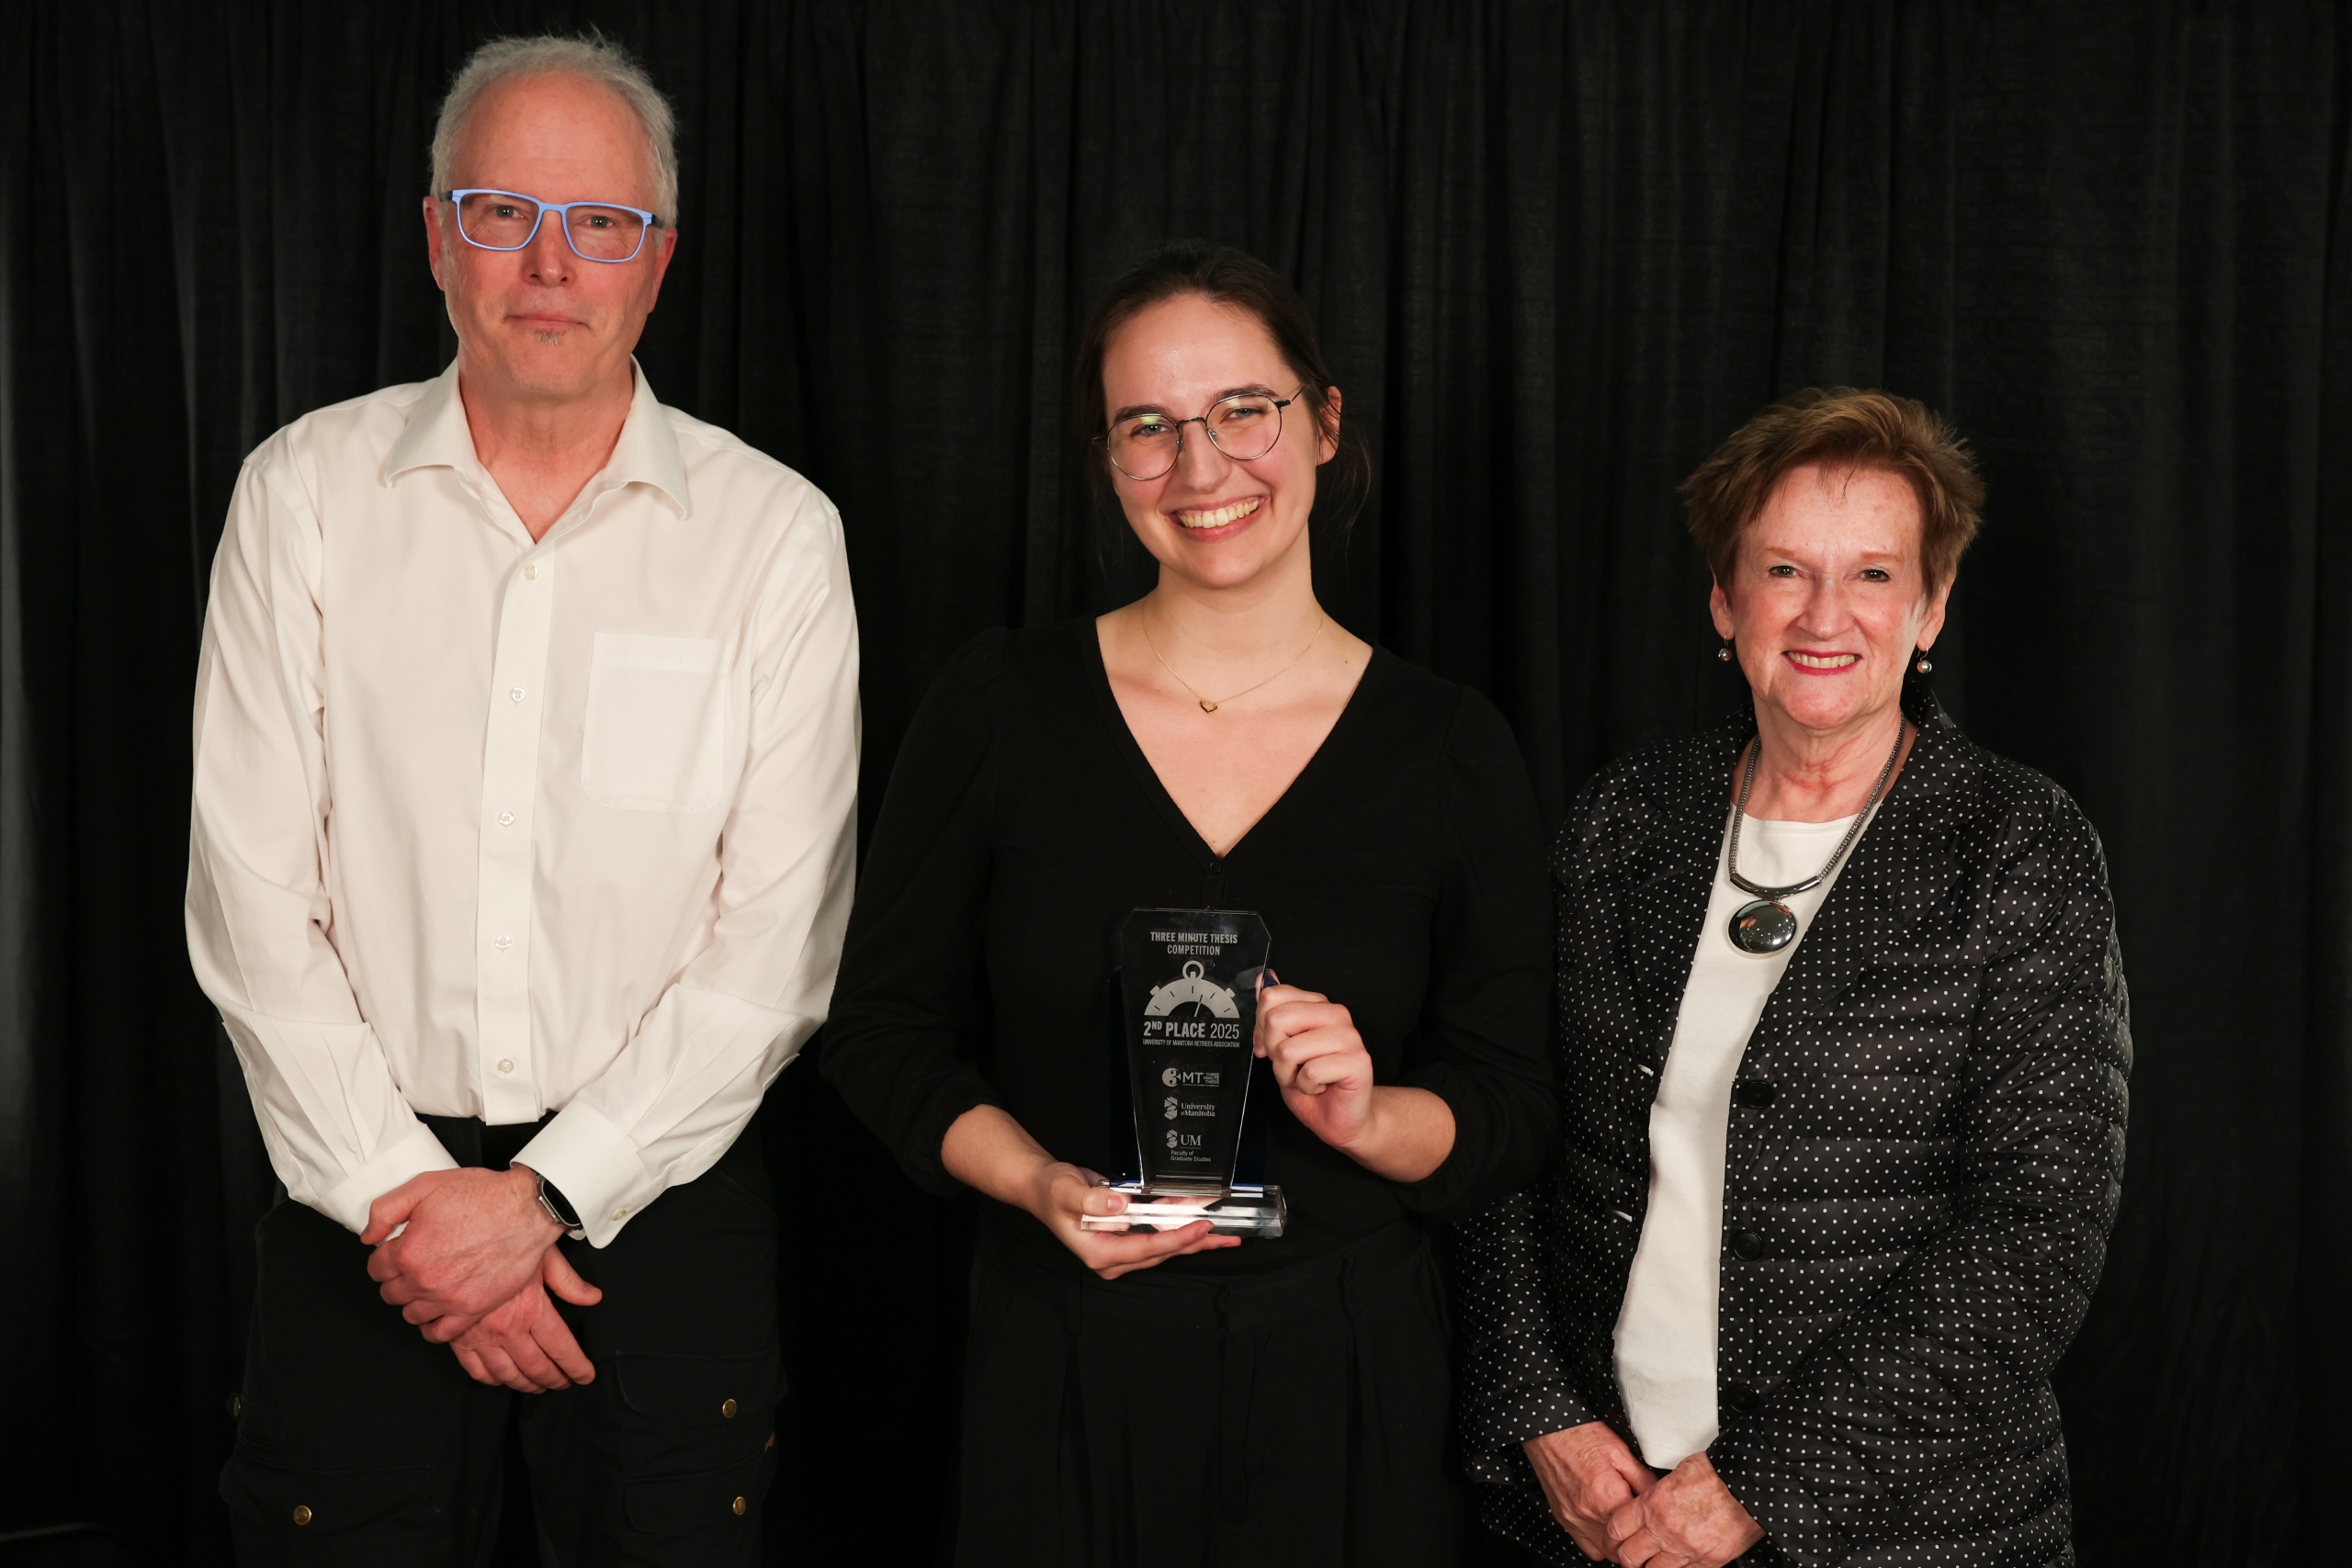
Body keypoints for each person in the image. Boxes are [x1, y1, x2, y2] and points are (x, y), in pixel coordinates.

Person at [186, 35, 858, 1563]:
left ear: (659, 260)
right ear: (437, 238)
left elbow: (777, 946)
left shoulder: (774, 538)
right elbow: (249, 903)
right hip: (357, 1196)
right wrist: (413, 1207)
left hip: (660, 1203)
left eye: (600, 223)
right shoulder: (299, 498)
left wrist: (542, 1197)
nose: (549, 264)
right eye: (501, 211)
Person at [820, 240, 1556, 1565]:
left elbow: (1514, 1094)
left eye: (1243, 411)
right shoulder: (998, 705)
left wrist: (1375, 1112)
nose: (1202, 468)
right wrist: (1034, 1178)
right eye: (1149, 427)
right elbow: (881, 1028)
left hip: (1352, 1380)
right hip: (1059, 1367)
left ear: (1325, 423)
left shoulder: (1452, 744)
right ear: (1108, 460)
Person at [1455, 389, 2130, 1567]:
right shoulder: (1625, 819)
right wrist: (1539, 1414)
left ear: (1930, 608)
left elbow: (2037, 1230)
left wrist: (1757, 1487)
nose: (1826, 614)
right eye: (1784, 571)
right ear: (1725, 601)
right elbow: (1505, 1120)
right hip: (1593, 1515)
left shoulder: (2018, 843)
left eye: (1873, 575)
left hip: (1904, 1530)